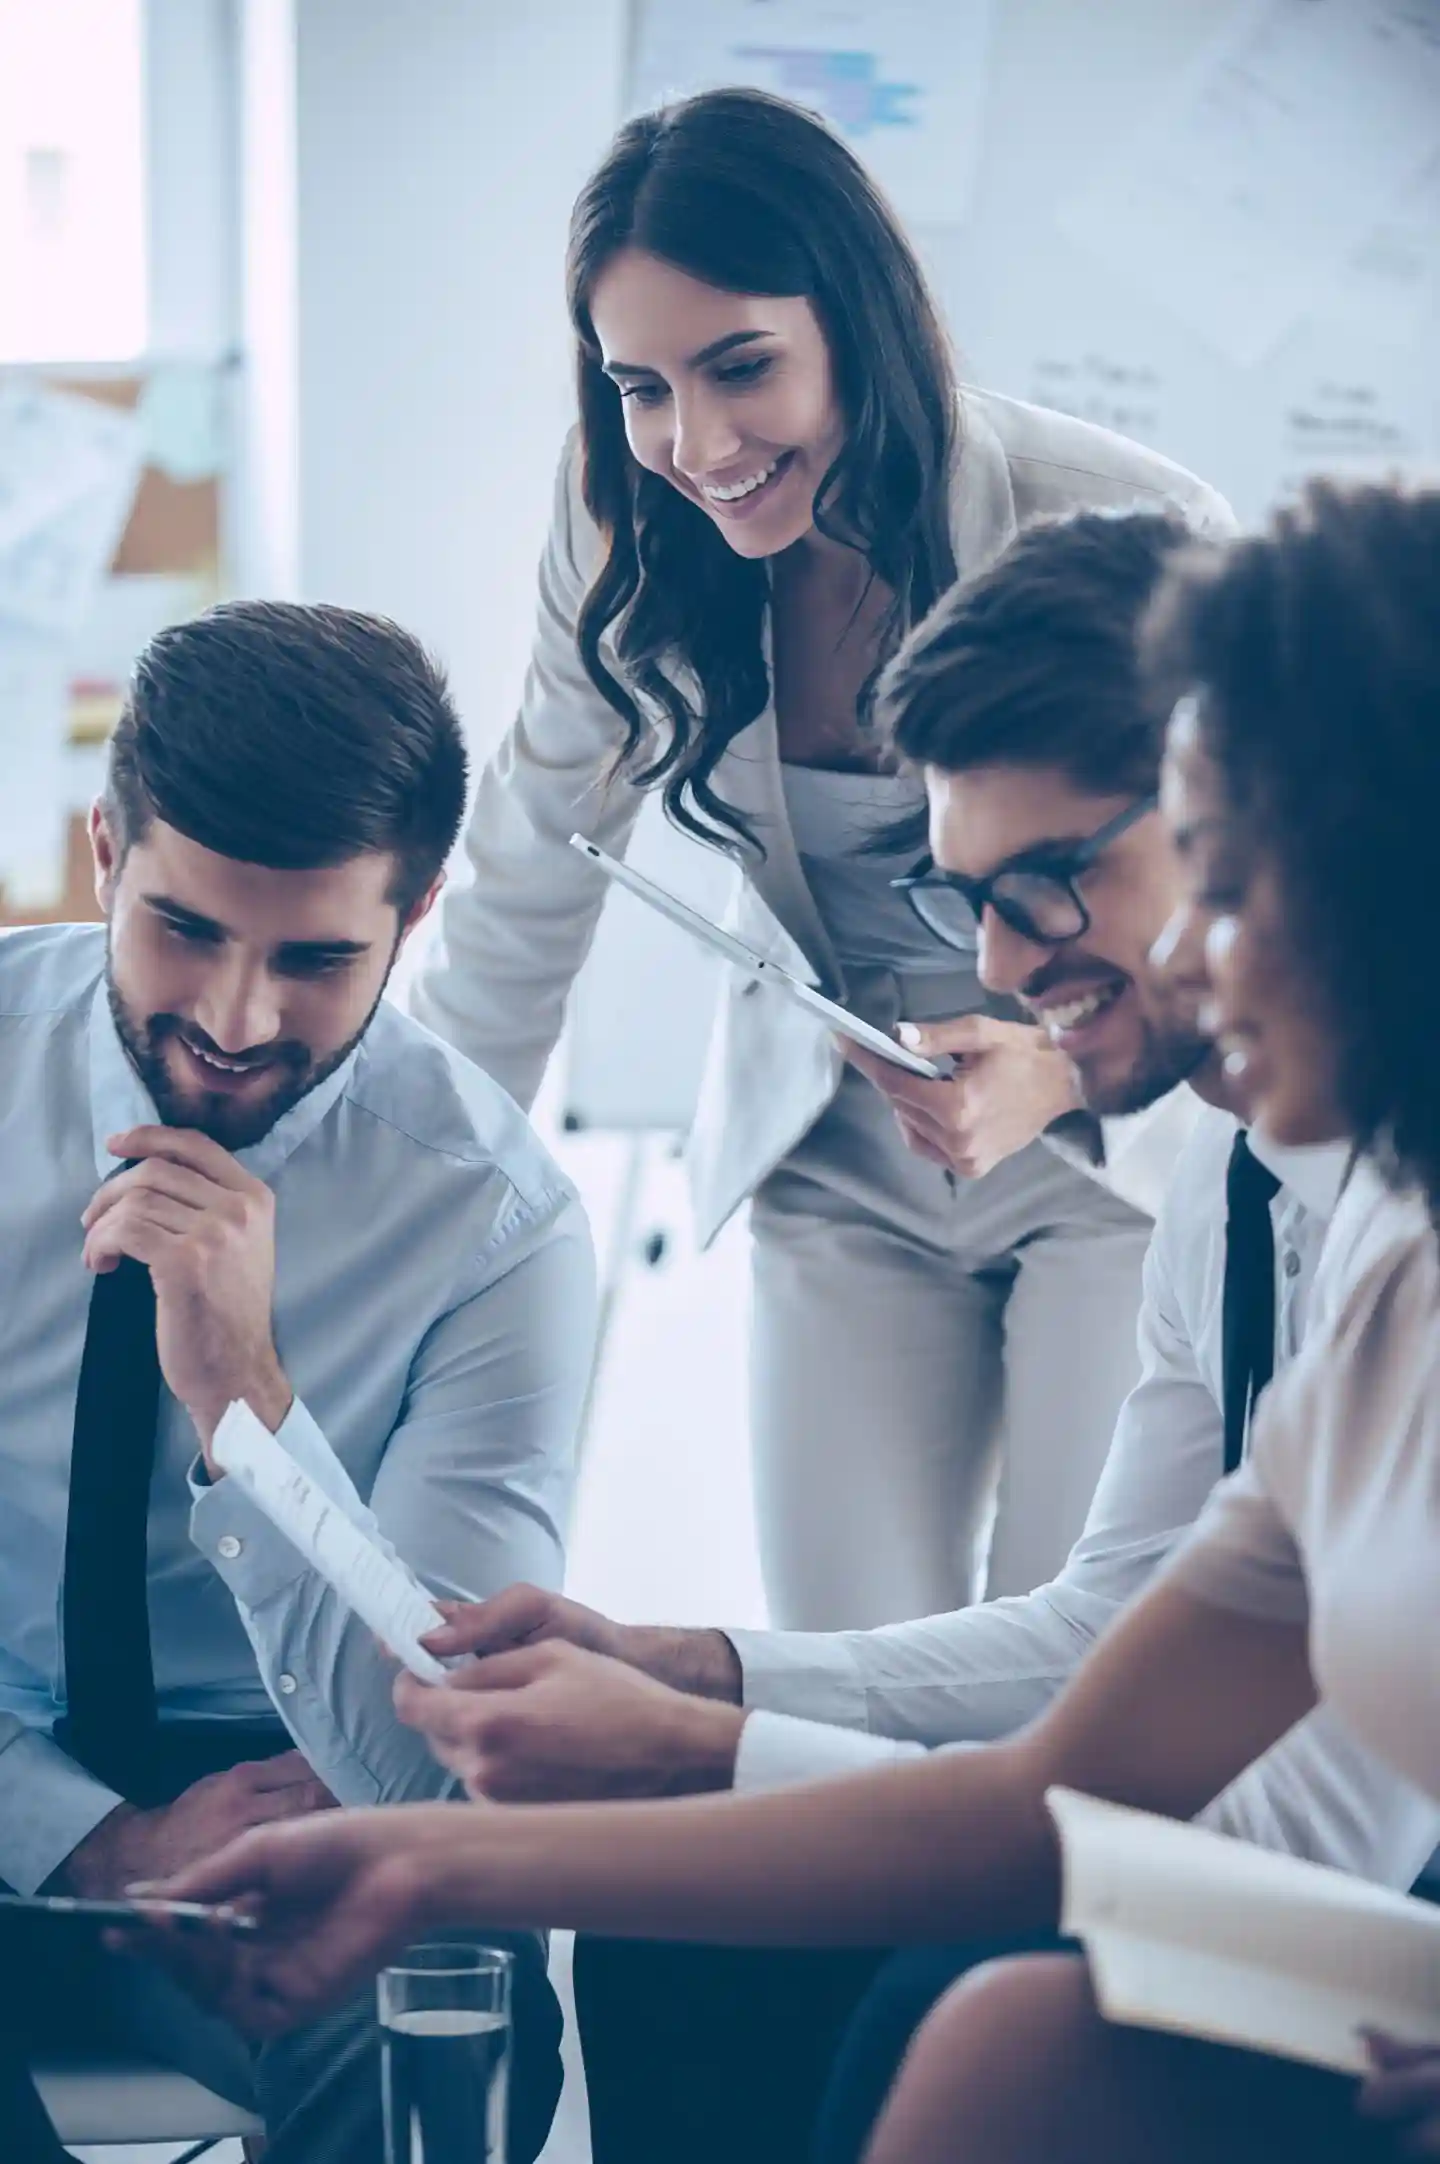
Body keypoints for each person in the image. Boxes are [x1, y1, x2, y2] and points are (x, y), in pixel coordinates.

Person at [143, 484, 1440, 2164]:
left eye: (1222, 887)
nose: (1015, 967)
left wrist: (694, 1747)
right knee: (752, 1967)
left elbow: (1232, 1850)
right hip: (1344, 1918)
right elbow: (1090, 1721)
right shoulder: (1279, 1206)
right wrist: (444, 1856)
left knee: (989, 2034)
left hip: (1347, 1912)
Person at [414, 85, 1236, 1632]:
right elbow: (528, 872)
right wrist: (400, 1205)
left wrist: (1051, 1073)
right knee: (852, 1670)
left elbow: (1268, 902)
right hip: (835, 1154)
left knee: (1068, 1669)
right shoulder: (624, 532)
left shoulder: (1122, 527)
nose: (698, 444)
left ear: (856, 322)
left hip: (1109, 1147)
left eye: (743, 368)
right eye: (642, 387)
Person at [0, 600, 595, 2162]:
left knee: (437, 1989)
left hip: (287, 1809)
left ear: (419, 916)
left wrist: (245, 1404)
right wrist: (87, 1844)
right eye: (183, 929)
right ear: (103, 855)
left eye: (318, 958)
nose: (234, 1022)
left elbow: (435, 1745)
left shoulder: (493, 1219)